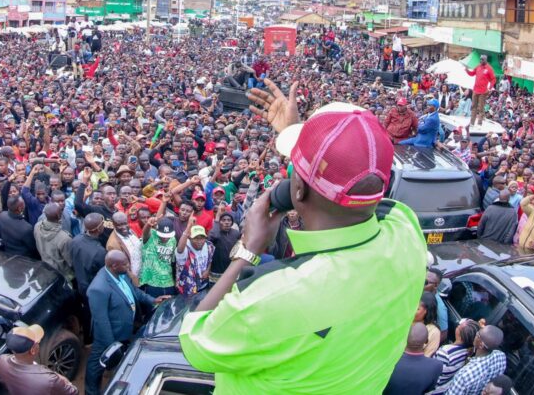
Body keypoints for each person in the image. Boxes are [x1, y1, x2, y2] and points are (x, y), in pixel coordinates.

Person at [179, 84, 427, 394]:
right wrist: (301, 135)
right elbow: (357, 192)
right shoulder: (406, 234)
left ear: (296, 191)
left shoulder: (273, 298)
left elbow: (195, 340)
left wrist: (249, 250)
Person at [86, 251, 167, 395]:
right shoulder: (98, 288)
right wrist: (111, 345)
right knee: (97, 364)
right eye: (125, 264)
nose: (128, 266)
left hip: (124, 330)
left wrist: (152, 299)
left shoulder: (121, 275)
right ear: (113, 266)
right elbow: (101, 320)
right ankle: (91, 391)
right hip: (109, 335)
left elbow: (134, 292)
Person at [0, 324, 78, 395]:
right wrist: (60, 378)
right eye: (38, 342)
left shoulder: (1, 360)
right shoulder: (49, 380)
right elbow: (73, 392)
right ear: (33, 350)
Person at [383, 322, 444, 395]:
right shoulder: (436, 366)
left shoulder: (387, 361)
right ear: (426, 341)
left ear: (406, 337)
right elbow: (428, 389)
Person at [444, 325, 506, 395]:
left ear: (481, 345)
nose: (476, 334)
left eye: (477, 334)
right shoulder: (501, 357)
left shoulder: (464, 376)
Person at [430, 318, 480, 394]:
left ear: (458, 333)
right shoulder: (469, 352)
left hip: (432, 390)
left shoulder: (445, 352)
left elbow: (431, 374)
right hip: (443, 388)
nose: (457, 325)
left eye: (458, 326)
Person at [70, 213, 107, 297]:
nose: (104, 225)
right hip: (94, 288)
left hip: (80, 283)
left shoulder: (75, 239)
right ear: (98, 229)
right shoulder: (100, 252)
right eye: (102, 223)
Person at [139, 216, 178, 297]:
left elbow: (172, 261)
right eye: (162, 235)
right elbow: (145, 233)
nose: (165, 238)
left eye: (167, 235)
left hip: (169, 282)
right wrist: (148, 225)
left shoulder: (173, 240)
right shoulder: (151, 235)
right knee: (153, 308)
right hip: (151, 282)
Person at [35, 203, 74, 282]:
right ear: (59, 216)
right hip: (63, 274)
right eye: (61, 211)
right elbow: (70, 261)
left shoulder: (37, 226)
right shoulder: (64, 238)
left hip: (46, 267)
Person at [176, 223, 214, 295]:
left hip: (203, 284)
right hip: (187, 288)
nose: (199, 241)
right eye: (196, 238)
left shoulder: (209, 246)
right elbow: (180, 251)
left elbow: (211, 259)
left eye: (202, 238)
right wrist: (187, 229)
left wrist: (207, 270)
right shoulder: (185, 248)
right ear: (190, 238)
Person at [106, 211, 142, 284]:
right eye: (120, 225)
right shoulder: (112, 245)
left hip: (142, 274)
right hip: (134, 281)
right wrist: (136, 283)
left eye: (125, 223)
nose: (124, 227)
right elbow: (123, 269)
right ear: (114, 225)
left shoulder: (131, 231)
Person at [464, 55, 496, 127]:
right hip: (475, 90)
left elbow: (493, 79)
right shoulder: (478, 66)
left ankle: (479, 123)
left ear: (486, 60)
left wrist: (490, 88)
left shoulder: (489, 69)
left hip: (483, 91)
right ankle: (472, 122)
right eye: (480, 59)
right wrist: (467, 70)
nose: (480, 61)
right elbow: (472, 74)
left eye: (482, 59)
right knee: (473, 106)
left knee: (481, 108)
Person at [415, 291, 442, 356]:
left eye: (417, 308)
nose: (413, 310)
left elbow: (427, 356)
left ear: (426, 311)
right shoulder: (405, 319)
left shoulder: (433, 332)